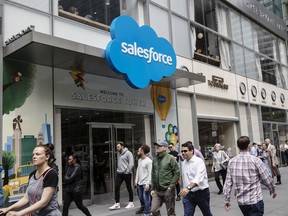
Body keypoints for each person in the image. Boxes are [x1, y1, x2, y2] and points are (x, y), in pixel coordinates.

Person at [0, 144, 61, 216]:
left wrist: (19, 213)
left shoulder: (51, 174)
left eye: (38, 154)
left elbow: (43, 202)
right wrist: (8, 208)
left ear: (47, 157)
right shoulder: (32, 174)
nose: (34, 157)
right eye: (33, 155)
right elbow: (26, 198)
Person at [223, 136, 276, 216]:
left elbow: (228, 182)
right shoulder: (255, 160)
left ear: (238, 147)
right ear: (249, 146)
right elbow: (266, 178)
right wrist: (272, 189)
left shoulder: (232, 161)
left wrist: (227, 199)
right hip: (255, 201)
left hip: (241, 202)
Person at [178, 142, 213, 216]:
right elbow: (185, 176)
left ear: (191, 151)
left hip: (201, 193)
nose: (183, 153)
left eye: (185, 151)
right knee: (187, 214)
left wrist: (188, 188)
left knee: (207, 213)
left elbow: (198, 177)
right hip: (188, 195)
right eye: (182, 151)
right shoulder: (184, 162)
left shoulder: (199, 162)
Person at [150, 140, 180, 216]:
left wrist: (171, 186)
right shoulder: (155, 159)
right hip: (157, 190)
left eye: (159, 146)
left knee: (171, 213)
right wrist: (153, 188)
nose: (157, 147)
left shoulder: (170, 158)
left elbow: (177, 172)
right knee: (153, 210)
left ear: (165, 148)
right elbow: (153, 174)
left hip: (168, 190)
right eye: (157, 146)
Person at [109, 141, 134, 210]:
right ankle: (117, 204)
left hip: (126, 173)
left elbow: (131, 163)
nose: (117, 148)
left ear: (122, 146)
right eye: (116, 147)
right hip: (119, 173)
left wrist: (127, 171)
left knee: (129, 187)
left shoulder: (128, 153)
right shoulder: (118, 153)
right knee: (116, 187)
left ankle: (131, 202)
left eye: (118, 147)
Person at [135, 144, 152, 216]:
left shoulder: (149, 161)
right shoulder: (139, 160)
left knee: (146, 198)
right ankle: (151, 208)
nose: (138, 152)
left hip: (145, 183)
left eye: (139, 150)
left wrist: (148, 184)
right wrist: (136, 180)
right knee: (141, 197)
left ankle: (146, 212)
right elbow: (138, 171)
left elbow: (150, 173)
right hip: (140, 183)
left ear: (143, 151)